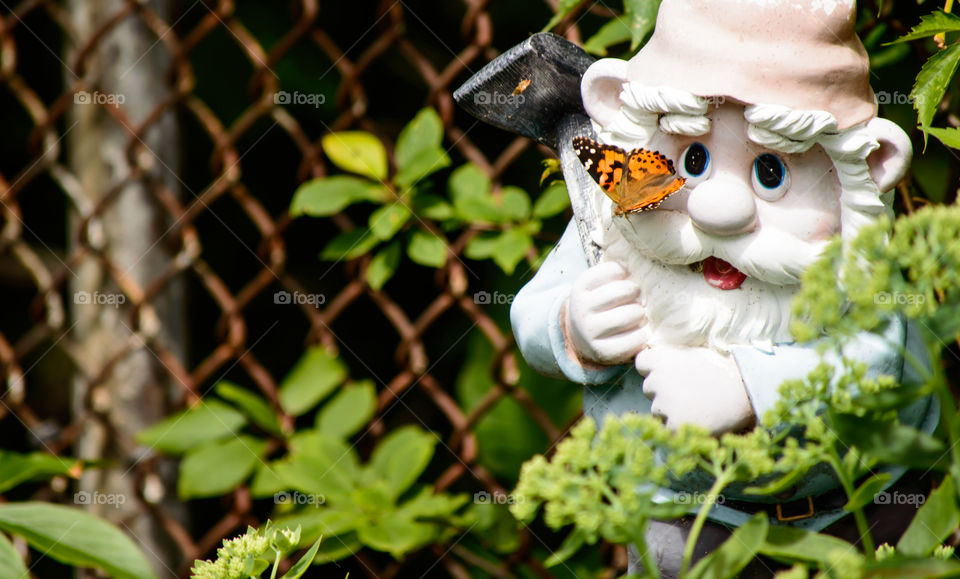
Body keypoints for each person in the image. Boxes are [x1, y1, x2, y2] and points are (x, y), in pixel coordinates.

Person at [509, 0, 938, 575]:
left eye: (771, 172)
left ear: (869, 165)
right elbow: (531, 315)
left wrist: (748, 388)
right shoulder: (620, 223)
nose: (717, 209)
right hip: (686, 522)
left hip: (867, 511)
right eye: (691, 159)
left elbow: (873, 359)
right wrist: (572, 328)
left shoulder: (855, 262)